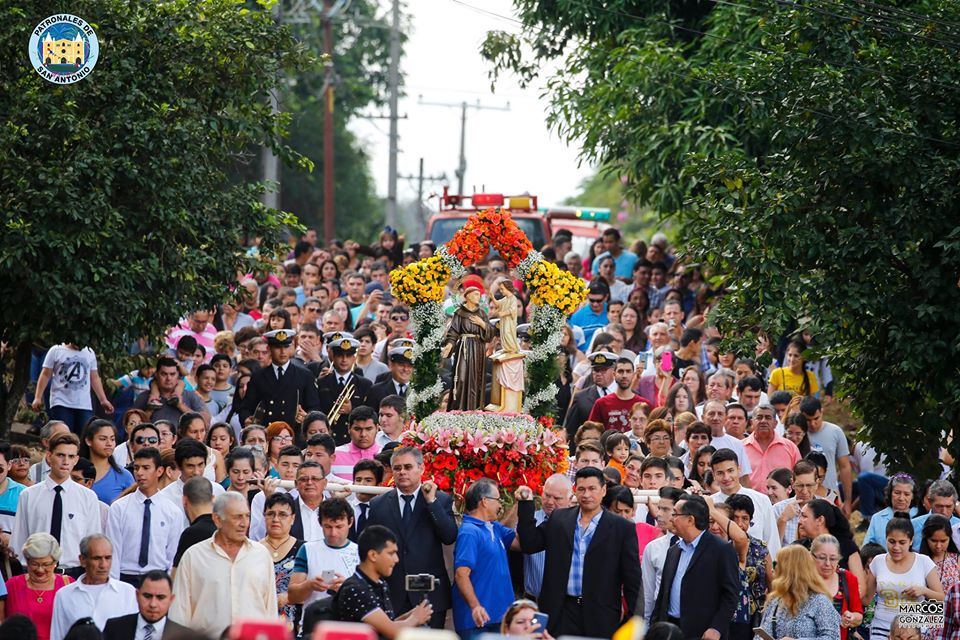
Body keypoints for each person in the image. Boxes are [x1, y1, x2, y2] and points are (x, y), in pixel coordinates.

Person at [516, 467, 641, 638]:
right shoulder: (559, 519)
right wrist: (525, 504)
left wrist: (634, 620)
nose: (586, 494)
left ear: (603, 490)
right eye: (581, 489)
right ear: (575, 491)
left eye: (592, 489)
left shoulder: (622, 527)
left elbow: (632, 579)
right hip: (560, 611)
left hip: (601, 614)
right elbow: (530, 544)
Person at [366, 447, 458, 628]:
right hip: (391, 592)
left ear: (421, 468)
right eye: (397, 468)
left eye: (408, 467)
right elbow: (370, 547)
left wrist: (431, 502)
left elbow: (449, 536)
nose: (402, 472)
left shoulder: (440, 500)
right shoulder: (378, 504)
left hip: (429, 593)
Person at [170, 492, 278, 636]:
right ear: (217, 519)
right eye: (237, 517)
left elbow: (270, 609)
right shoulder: (194, 556)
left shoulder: (261, 555)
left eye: (247, 516)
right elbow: (179, 613)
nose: (244, 523)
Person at [12, 433, 101, 578]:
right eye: (60, 455)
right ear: (49, 456)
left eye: (71, 457)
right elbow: (18, 542)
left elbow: (92, 543)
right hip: (36, 573)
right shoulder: (29, 495)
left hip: (73, 574)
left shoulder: (88, 497)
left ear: (76, 459)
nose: (65, 461)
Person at [652, 494, 739, 640]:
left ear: (690, 520)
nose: (671, 518)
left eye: (675, 514)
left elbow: (731, 595)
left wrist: (716, 628)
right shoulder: (674, 550)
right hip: (670, 630)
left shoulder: (721, 549)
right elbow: (663, 594)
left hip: (703, 632)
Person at [331, 525, 433, 638]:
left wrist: (410, 615)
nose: (396, 559)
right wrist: (415, 618)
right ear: (373, 555)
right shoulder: (355, 589)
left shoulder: (380, 584)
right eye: (391, 553)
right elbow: (393, 632)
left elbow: (386, 625)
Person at [453, 479, 519, 639]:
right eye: (497, 500)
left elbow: (519, 544)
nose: (500, 505)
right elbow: (461, 574)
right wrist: (476, 607)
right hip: (477, 621)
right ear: (484, 501)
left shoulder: (494, 527)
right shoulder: (470, 531)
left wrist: (520, 503)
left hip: (499, 618)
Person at [106, 449, 180, 585]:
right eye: (136, 468)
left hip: (158, 577)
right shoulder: (119, 508)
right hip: (126, 577)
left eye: (146, 468)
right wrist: (114, 585)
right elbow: (113, 550)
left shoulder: (172, 511)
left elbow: (172, 554)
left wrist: (167, 584)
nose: (139, 473)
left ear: (159, 471)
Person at [865, 514, 944, 640]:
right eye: (891, 542)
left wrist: (923, 591)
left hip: (913, 631)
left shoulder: (923, 561)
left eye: (902, 542)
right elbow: (866, 599)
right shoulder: (877, 561)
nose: (896, 547)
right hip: (881, 626)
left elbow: (941, 598)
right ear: (885, 539)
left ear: (911, 541)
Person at [49, 535, 138, 639]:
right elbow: (57, 636)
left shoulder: (127, 592)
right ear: (82, 560)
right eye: (97, 558)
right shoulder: (64, 595)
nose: (103, 565)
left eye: (108, 558)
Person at [288, 497, 359, 619]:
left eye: (339, 527)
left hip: (349, 627)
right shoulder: (307, 549)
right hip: (313, 626)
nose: (333, 533)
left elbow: (372, 600)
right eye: (328, 527)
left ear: (350, 522)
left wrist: (347, 590)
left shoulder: (360, 553)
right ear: (320, 523)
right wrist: (309, 585)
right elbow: (292, 596)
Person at [239, 329, 321, 427]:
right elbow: (246, 407)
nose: (282, 352)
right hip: (267, 433)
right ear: (269, 349)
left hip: (294, 433)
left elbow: (314, 407)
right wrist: (246, 419)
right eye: (278, 347)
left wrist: (307, 417)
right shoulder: (258, 377)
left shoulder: (304, 375)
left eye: (286, 347)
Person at [709, 448, 781, 558]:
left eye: (730, 471)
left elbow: (771, 540)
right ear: (713, 475)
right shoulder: (710, 504)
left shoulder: (761, 500)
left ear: (739, 469)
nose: (726, 477)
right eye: (720, 473)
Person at [757, 545, 840, 640]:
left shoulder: (819, 602)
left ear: (790, 569)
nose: (772, 569)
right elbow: (760, 635)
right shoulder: (774, 600)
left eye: (776, 564)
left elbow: (833, 637)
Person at [32, 344, 114, 434]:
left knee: (85, 434)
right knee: (63, 434)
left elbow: (94, 377)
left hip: (83, 404)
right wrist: (38, 397)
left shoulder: (89, 352)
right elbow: (45, 374)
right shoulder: (56, 350)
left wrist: (103, 400)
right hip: (61, 401)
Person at [5, 533, 73, 640]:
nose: (40, 570)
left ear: (55, 562)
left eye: (46, 564)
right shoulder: (12, 586)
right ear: (27, 561)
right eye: (35, 564)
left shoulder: (68, 585)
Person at [442, 283, 495, 411]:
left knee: (476, 379)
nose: (479, 297)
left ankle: (475, 407)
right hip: (464, 347)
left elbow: (490, 334)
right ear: (468, 296)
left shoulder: (481, 313)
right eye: (476, 294)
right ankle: (459, 407)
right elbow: (453, 331)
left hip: (478, 348)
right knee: (461, 377)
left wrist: (482, 324)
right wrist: (449, 344)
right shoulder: (459, 313)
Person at [256, 492, 304, 631]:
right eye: (270, 514)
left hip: (293, 627)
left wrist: (290, 597)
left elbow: (314, 591)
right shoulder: (253, 550)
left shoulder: (304, 550)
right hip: (259, 624)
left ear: (293, 518)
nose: (276, 519)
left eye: (283, 514)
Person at [521, 474, 572, 601]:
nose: (550, 502)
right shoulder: (528, 521)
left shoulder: (578, 524)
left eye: (557, 498)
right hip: (531, 603)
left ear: (570, 499)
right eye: (547, 495)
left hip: (564, 605)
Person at [316, 333, 373, 443]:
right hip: (329, 438)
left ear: (354, 358)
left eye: (348, 356)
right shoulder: (322, 382)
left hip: (352, 439)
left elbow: (370, 413)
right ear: (333, 357)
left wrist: (352, 410)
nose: (344, 359)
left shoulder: (365, 384)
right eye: (340, 355)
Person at [102, 571, 187, 640]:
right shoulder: (114, 628)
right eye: (147, 596)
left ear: (171, 599)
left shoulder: (185, 636)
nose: (153, 604)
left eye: (160, 597)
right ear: (137, 595)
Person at [641, 487, 684, 623]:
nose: (658, 514)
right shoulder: (653, 548)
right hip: (660, 619)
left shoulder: (697, 545)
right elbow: (648, 592)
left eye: (665, 509)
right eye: (659, 508)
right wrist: (645, 625)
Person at [811, 534, 863, 639]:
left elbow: (859, 615)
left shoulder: (848, 578)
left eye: (833, 558)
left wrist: (851, 617)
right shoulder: (803, 580)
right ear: (812, 556)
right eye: (822, 558)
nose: (827, 563)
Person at [132, 358, 208, 427]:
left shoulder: (191, 396)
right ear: (156, 375)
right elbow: (132, 427)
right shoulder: (144, 397)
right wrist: (149, 410)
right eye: (164, 374)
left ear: (178, 375)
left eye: (172, 374)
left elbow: (206, 422)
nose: (168, 378)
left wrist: (181, 406)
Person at [562, 351, 619, 439]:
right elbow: (571, 431)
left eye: (603, 370)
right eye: (596, 370)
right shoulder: (581, 397)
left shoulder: (625, 395)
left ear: (613, 371)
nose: (599, 373)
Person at [742, 404, 801, 488]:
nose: (763, 421)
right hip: (748, 500)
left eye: (768, 418)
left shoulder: (790, 448)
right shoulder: (740, 447)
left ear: (775, 423)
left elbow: (799, 478)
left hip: (783, 500)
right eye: (759, 417)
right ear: (752, 422)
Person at [79, 420, 134, 505]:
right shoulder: (75, 472)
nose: (109, 443)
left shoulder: (124, 475)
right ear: (88, 441)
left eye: (112, 439)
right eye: (103, 439)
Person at [587, 358, 648, 432]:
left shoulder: (644, 404)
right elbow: (592, 431)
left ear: (633, 374)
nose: (624, 375)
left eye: (628, 371)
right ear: (614, 374)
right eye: (620, 371)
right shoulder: (601, 403)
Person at [172, 476, 216, 569]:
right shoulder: (224, 529)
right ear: (213, 498)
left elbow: (177, 576)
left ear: (184, 500)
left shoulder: (190, 535)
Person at [772, 460, 818, 546]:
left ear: (817, 484)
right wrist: (783, 519)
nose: (804, 491)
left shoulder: (826, 507)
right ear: (792, 483)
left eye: (809, 485)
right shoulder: (778, 509)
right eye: (800, 485)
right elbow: (772, 548)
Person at [864, 473, 918, 548]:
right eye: (897, 493)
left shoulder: (920, 515)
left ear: (912, 496)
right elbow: (867, 547)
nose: (901, 498)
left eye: (906, 494)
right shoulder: (877, 518)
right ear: (890, 493)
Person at [332, 407, 382, 482]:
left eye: (368, 429)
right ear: (349, 428)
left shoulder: (386, 455)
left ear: (377, 428)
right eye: (357, 429)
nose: (363, 434)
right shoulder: (334, 455)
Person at [911, 480, 960, 551]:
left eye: (948, 506)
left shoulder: (958, 526)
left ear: (955, 504)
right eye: (939, 506)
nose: (944, 511)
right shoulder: (913, 526)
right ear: (930, 502)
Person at [366, 348, 414, 418]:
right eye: (401, 364)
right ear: (391, 365)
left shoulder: (420, 391)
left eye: (410, 365)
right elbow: (370, 418)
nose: (406, 369)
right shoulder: (376, 390)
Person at [920, 515, 960, 593]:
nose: (938, 546)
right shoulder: (919, 561)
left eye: (943, 541)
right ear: (926, 538)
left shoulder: (956, 559)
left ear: (949, 538)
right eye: (933, 541)